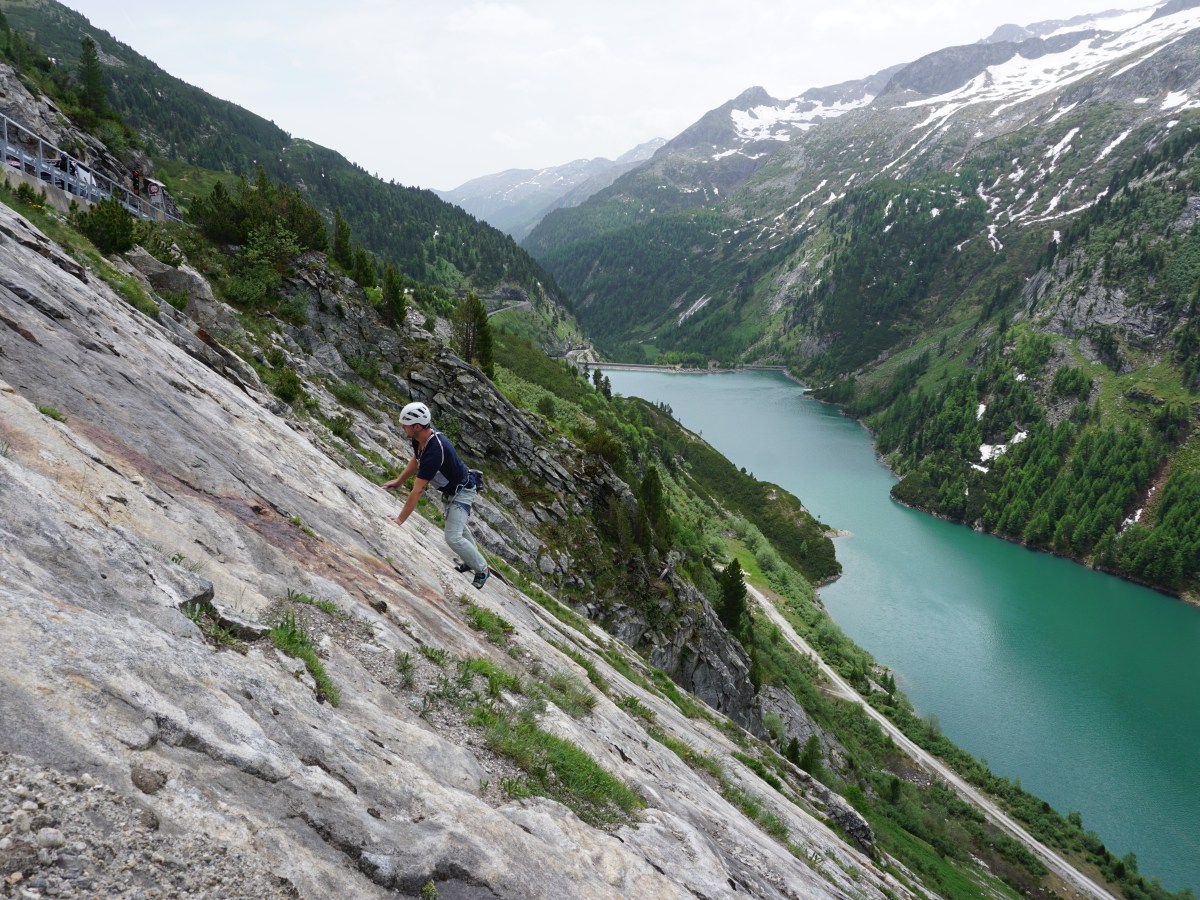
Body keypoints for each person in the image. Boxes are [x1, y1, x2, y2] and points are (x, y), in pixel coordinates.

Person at [384, 401, 490, 589]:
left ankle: (482, 569)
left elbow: (418, 490)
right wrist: (399, 481)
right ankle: (470, 560)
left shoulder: (435, 450)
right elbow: (416, 461)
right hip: (454, 490)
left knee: (453, 537)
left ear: (417, 426)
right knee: (459, 529)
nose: (402, 427)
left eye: (405, 424)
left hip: (462, 492)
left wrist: (400, 520)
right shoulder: (420, 440)